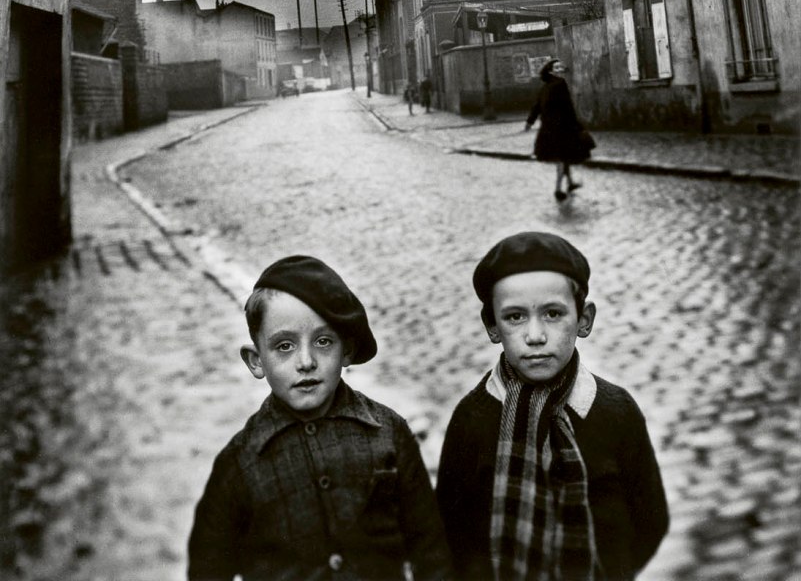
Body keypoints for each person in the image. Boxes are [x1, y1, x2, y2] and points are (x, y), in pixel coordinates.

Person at [187, 255, 452, 581]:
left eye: (323, 341)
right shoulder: (240, 462)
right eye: (284, 346)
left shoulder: (389, 433)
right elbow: (209, 568)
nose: (306, 361)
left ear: (347, 350)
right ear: (256, 361)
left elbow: (431, 549)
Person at [437, 231, 668, 581]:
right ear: (492, 327)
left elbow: (650, 519)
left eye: (553, 314)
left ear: (584, 319)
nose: (535, 335)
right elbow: (450, 531)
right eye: (515, 317)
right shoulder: (473, 418)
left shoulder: (616, 413)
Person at [525, 58, 594, 202]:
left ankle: (570, 183)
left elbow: (537, 106)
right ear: (551, 71)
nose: (559, 69)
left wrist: (530, 122)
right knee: (563, 158)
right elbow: (568, 107)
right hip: (562, 128)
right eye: (556, 68)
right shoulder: (560, 84)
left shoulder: (545, 86)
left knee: (564, 156)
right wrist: (578, 126)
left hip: (548, 129)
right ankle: (557, 189)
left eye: (560, 67)